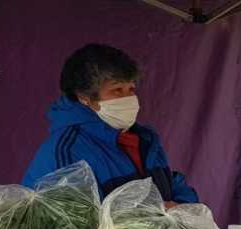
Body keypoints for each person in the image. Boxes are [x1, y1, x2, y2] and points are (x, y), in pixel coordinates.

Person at [22, 44, 197, 207]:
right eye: (117, 90)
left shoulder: (145, 139)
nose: (129, 98)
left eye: (131, 89)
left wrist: (182, 206)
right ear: (85, 97)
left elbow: (169, 183)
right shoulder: (66, 150)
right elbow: (76, 223)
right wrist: (154, 214)